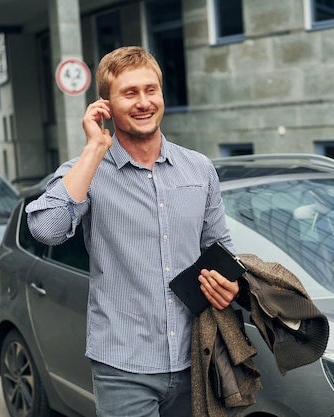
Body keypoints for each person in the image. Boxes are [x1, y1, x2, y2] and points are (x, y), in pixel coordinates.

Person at [26, 46, 240, 417]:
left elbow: (219, 247)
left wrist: (230, 285)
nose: (143, 102)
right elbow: (46, 229)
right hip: (123, 367)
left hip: (196, 358)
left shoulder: (199, 168)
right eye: (129, 93)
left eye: (150, 90)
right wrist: (95, 147)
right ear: (106, 104)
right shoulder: (86, 171)